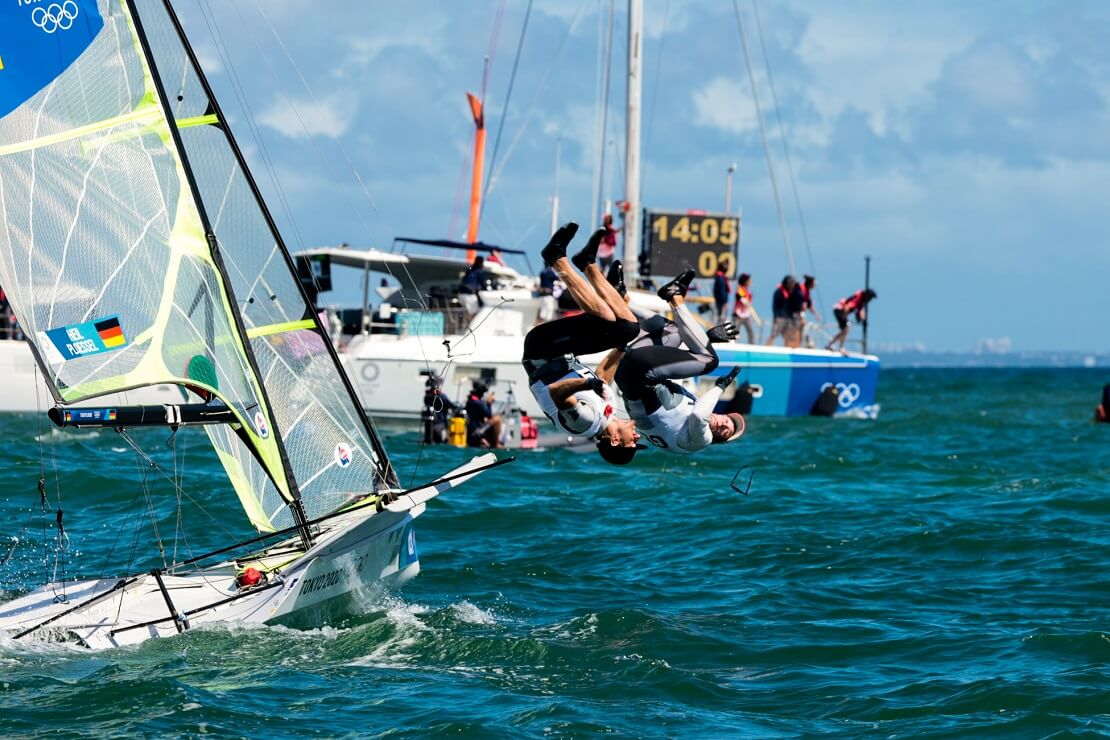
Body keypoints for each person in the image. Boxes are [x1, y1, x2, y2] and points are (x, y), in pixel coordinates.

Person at [521, 222, 642, 464]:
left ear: (616, 441)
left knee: (615, 322)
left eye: (634, 440)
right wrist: (621, 348)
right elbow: (603, 377)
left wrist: (586, 383)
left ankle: (558, 259)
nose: (637, 435)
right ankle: (590, 266)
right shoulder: (607, 412)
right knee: (626, 329)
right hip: (560, 352)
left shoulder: (585, 423)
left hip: (541, 351)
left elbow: (557, 393)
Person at [608, 269, 747, 455]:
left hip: (640, 376)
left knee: (711, 362)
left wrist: (720, 387)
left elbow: (699, 415)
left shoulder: (701, 440)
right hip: (631, 371)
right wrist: (705, 340)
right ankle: (623, 299)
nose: (722, 424)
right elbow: (673, 366)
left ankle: (675, 295)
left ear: (718, 439)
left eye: (725, 431)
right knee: (672, 331)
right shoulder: (689, 411)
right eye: (726, 420)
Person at [465, 380, 503, 448]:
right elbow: (489, 415)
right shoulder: (479, 403)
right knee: (497, 419)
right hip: (477, 433)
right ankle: (496, 443)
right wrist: (489, 403)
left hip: (471, 432)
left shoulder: (470, 401)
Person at [765, 275, 796, 346]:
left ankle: (787, 348)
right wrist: (777, 316)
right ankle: (767, 347)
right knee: (774, 334)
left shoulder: (789, 292)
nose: (792, 285)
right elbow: (776, 306)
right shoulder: (779, 292)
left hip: (787, 318)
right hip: (779, 317)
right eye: (791, 283)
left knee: (787, 335)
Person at [732, 273, 761, 344]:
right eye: (749, 280)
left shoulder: (747, 291)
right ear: (745, 281)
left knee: (751, 332)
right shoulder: (740, 289)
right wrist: (746, 302)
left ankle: (752, 346)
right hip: (738, 315)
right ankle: (732, 345)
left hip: (746, 315)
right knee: (734, 332)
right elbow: (741, 298)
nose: (751, 281)